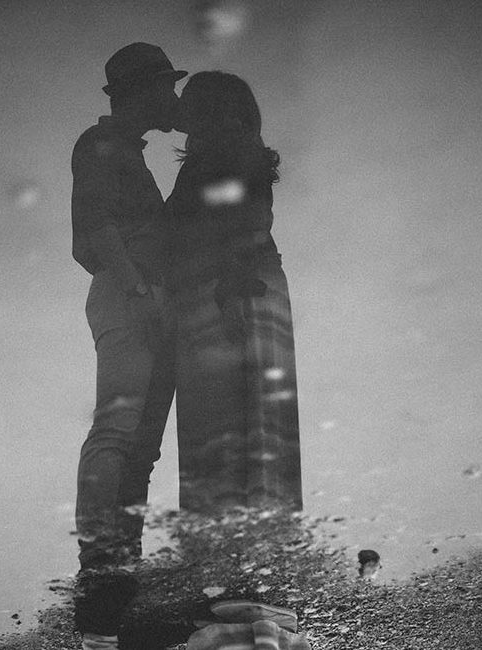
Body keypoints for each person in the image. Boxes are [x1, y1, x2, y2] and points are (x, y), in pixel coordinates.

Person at [70, 43, 185, 650]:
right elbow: (95, 229)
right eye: (166, 88)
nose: (173, 99)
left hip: (149, 300)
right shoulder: (101, 145)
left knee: (139, 445)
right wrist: (140, 289)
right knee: (118, 431)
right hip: (129, 297)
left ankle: (116, 581)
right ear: (142, 91)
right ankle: (99, 571)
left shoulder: (128, 154)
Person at [166, 71, 302, 514]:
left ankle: (235, 537)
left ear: (209, 108)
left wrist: (228, 292)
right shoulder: (229, 151)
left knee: (230, 412)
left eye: (190, 100)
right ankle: (255, 534)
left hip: (232, 288)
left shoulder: (226, 149)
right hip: (237, 286)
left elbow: (241, 220)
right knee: (248, 416)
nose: (180, 108)